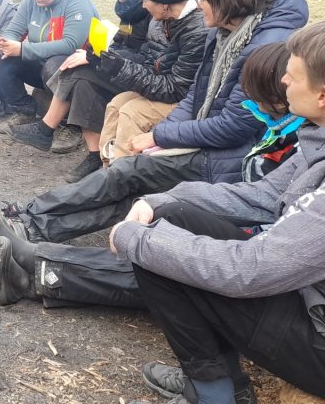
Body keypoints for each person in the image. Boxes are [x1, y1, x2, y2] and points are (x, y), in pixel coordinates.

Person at [0, 0, 308, 246]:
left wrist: (162, 136)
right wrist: (165, 133)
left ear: (227, 2)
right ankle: (30, 224)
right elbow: (196, 96)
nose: (198, 3)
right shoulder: (226, 34)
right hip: (206, 142)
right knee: (129, 177)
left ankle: (26, 217)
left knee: (129, 176)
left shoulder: (254, 48)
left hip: (221, 160)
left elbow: (233, 125)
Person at [0, 43, 305, 317]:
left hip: (261, 251)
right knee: (143, 203)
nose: (250, 104)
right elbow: (258, 193)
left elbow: (267, 227)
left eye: (291, 81)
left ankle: (38, 265)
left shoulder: (298, 143)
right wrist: (166, 194)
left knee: (167, 259)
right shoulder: (291, 133)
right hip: (236, 207)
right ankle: (33, 251)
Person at [109, 22, 325, 404]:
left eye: (292, 75)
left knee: (154, 247)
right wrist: (159, 200)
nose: (284, 80)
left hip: (317, 341)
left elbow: (251, 270)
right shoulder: (316, 140)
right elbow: (261, 196)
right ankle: (220, 385)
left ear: (322, 96)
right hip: (307, 300)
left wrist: (134, 240)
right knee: (171, 218)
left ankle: (214, 394)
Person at [7, 0, 209, 183]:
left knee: (96, 84)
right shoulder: (158, 18)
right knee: (86, 79)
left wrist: (112, 64)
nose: (142, 5)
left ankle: (116, 176)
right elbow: (143, 56)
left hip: (170, 95)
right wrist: (104, 58)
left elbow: (174, 88)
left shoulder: (193, 30)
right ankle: (101, 159)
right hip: (149, 79)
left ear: (163, 1)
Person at [0, 0, 99, 152]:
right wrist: (5, 43)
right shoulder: (32, 1)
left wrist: (23, 49)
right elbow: (14, 31)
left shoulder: (76, 0)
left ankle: (70, 126)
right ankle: (25, 111)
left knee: (56, 64)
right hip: (44, 68)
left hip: (78, 73)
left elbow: (70, 44)